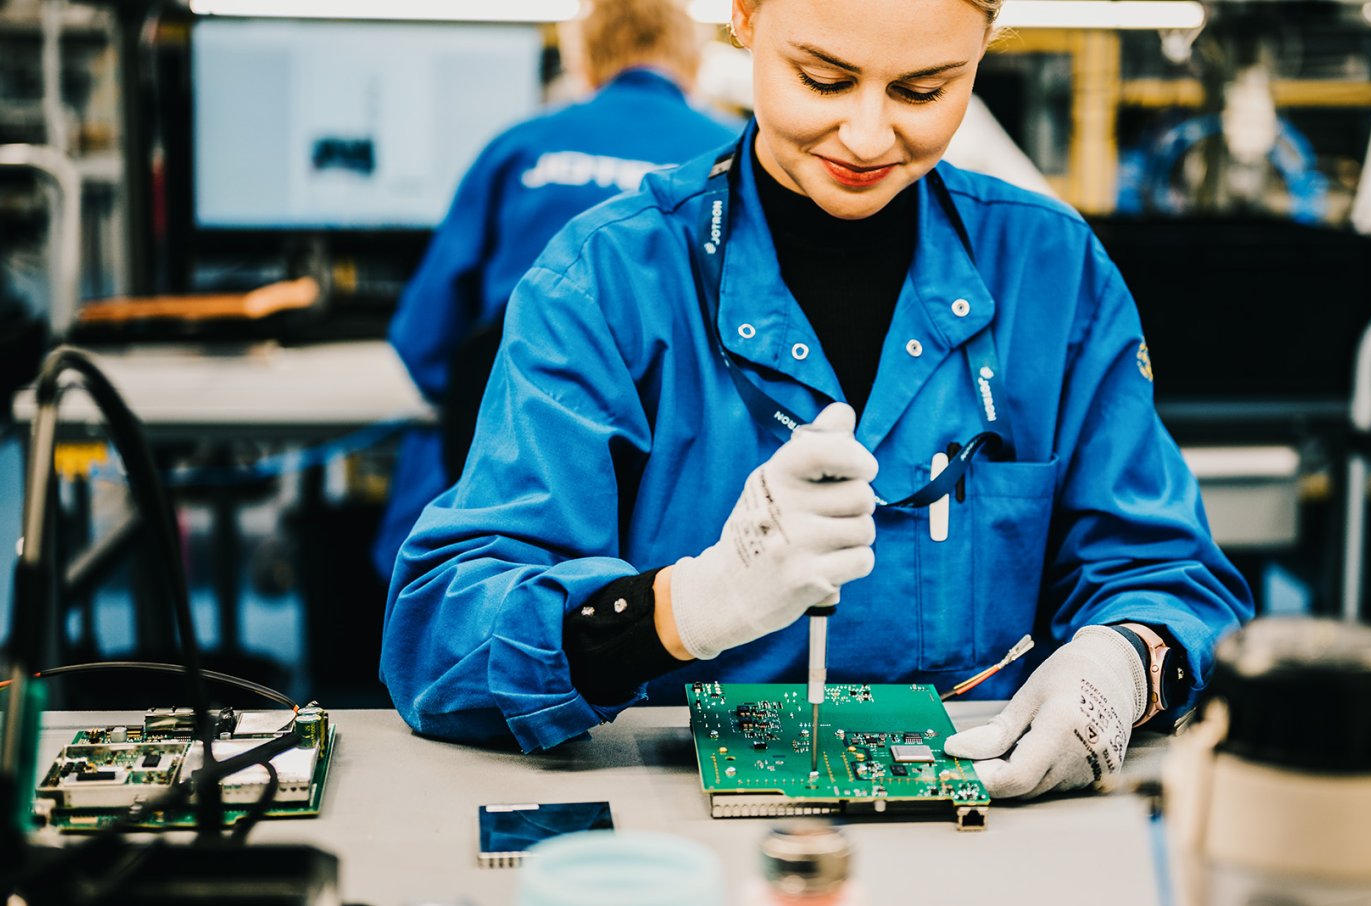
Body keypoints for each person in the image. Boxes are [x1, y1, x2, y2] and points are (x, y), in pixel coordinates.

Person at [381, 0, 1253, 799]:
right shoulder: (605, 280)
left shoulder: (1053, 274)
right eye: (824, 79)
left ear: (982, 53)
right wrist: (677, 612)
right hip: (685, 835)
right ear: (745, 20)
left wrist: (1122, 665)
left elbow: (1164, 571)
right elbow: (438, 631)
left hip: (987, 828)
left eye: (922, 89)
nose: (868, 135)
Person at [370, 0, 742, 579]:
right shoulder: (737, 156)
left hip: (519, 510)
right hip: (694, 523)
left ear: (583, 59)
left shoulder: (518, 146)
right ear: (694, 58)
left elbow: (424, 342)